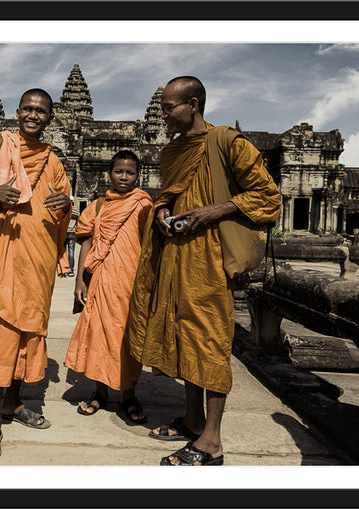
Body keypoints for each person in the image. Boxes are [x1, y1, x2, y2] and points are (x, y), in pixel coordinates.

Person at [127, 76, 281, 466]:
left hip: (211, 260)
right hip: (176, 257)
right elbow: (170, 194)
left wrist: (214, 210)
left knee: (209, 342)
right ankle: (194, 419)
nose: (162, 115)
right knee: (184, 338)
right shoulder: (171, 153)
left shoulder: (229, 143)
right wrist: (161, 211)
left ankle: (211, 441)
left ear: (192, 104)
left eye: (168, 107)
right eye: (161, 107)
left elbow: (268, 198)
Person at [0, 89, 71, 462]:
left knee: (30, 332)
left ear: (50, 118)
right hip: (9, 253)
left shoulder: (52, 158)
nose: (34, 115)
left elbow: (62, 200)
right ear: (18, 112)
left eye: (41, 111)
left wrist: (66, 205)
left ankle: (15, 402)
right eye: (29, 109)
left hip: (39, 259)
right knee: (4, 331)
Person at [65, 150, 153, 423]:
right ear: (109, 174)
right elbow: (86, 243)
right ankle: (100, 392)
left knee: (128, 339)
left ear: (139, 176)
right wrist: (80, 280)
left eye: (130, 172)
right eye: (119, 171)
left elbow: (151, 246)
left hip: (131, 283)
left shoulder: (144, 204)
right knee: (99, 337)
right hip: (101, 281)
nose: (124, 177)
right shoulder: (98, 206)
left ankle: (128, 395)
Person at [64, 197, 78, 276]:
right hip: (72, 233)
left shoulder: (64, 210)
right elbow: (78, 222)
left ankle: (63, 268)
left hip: (64, 233)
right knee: (71, 252)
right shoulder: (76, 211)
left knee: (63, 251)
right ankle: (71, 270)